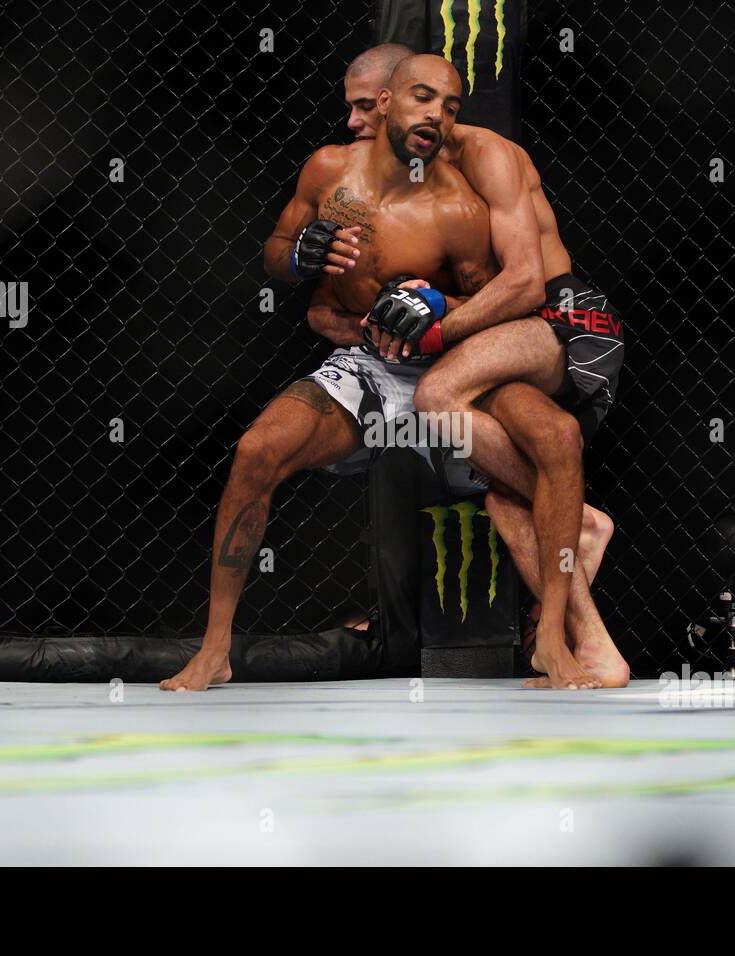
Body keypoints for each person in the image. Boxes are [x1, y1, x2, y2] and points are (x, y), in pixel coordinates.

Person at [163, 55, 603, 690]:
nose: (435, 116)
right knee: (258, 449)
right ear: (388, 102)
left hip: (452, 367)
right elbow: (276, 254)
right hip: (371, 369)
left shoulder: (460, 206)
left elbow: (501, 300)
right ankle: (213, 649)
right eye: (420, 98)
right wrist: (303, 254)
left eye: (448, 107)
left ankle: (556, 643)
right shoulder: (328, 171)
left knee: (554, 441)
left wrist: (435, 310)